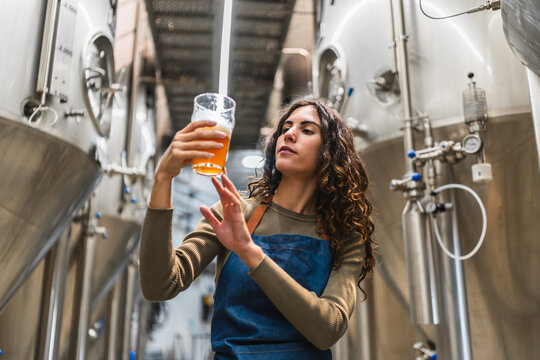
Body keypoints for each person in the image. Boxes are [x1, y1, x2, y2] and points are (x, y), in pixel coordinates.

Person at [139, 100, 376, 359]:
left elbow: (327, 330)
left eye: (307, 130)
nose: (289, 133)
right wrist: (163, 178)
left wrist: (248, 250)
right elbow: (159, 286)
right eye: (286, 127)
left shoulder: (346, 236)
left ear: (331, 152)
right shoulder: (235, 212)